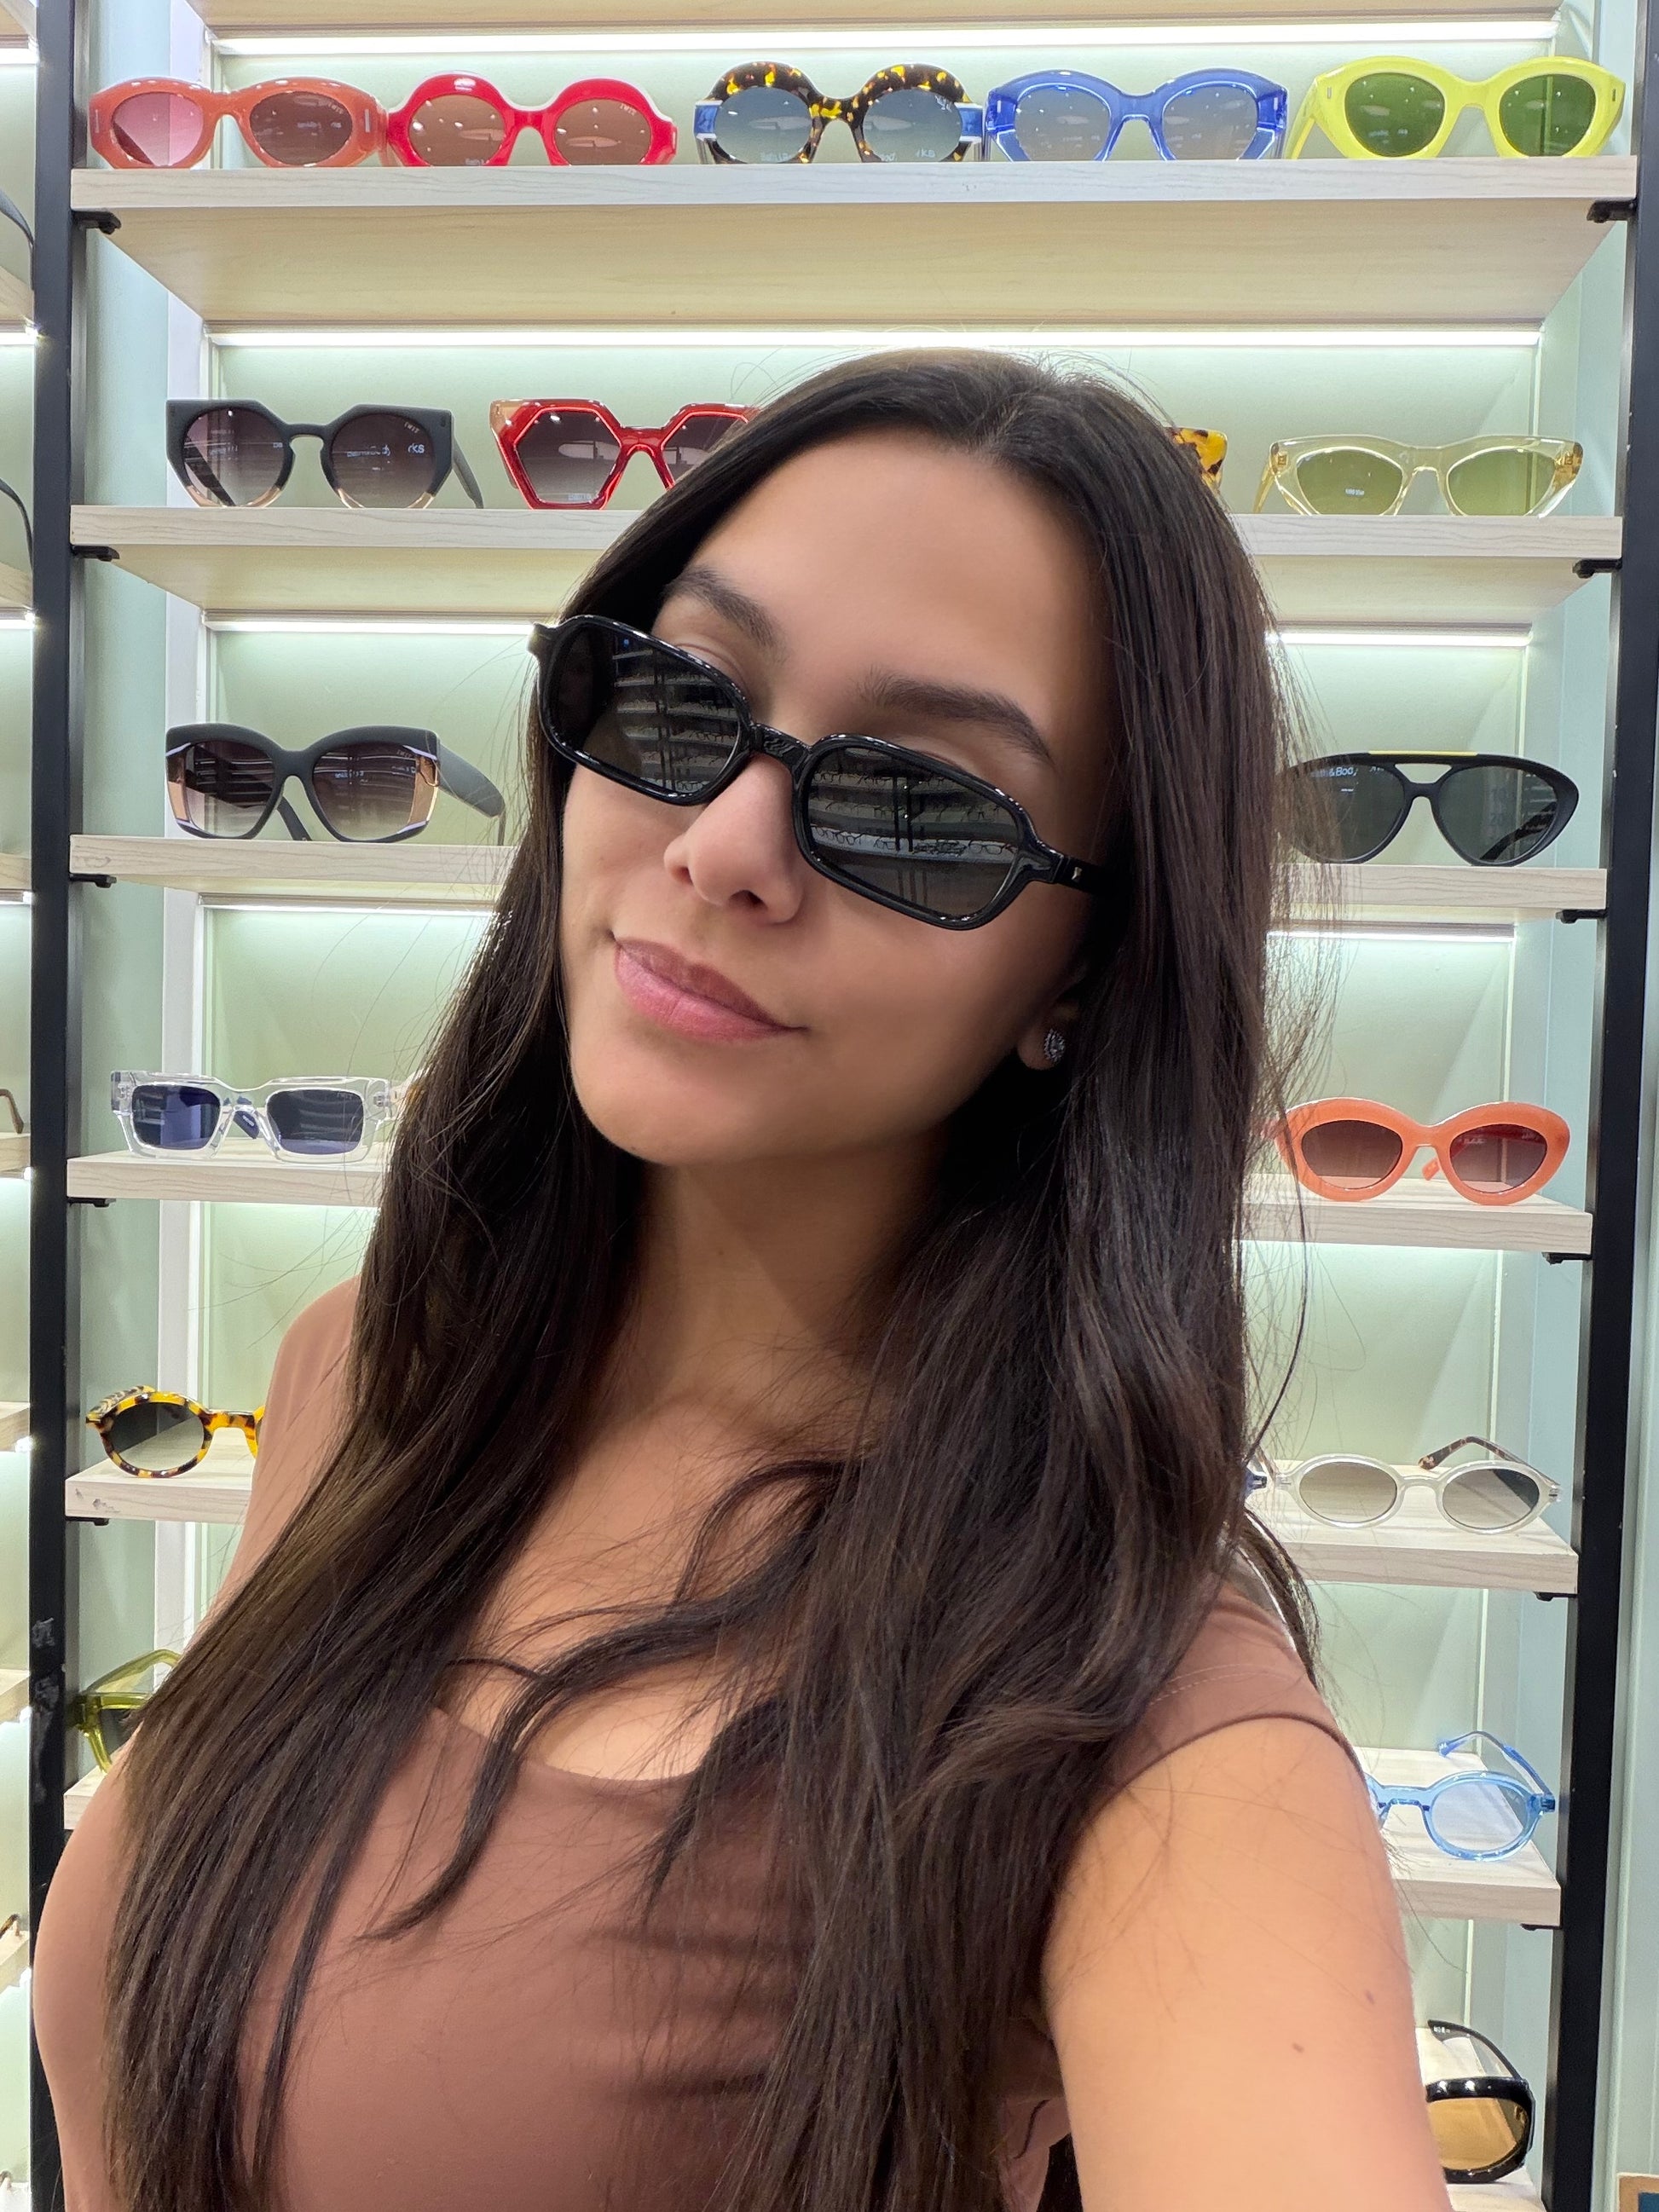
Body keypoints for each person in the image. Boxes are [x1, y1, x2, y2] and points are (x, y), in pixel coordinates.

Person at [32, 349, 1451, 2212]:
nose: (719, 848)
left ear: (1083, 975)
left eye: (917, 807)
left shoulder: (1138, 1723)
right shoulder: (376, 1372)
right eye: (676, 698)